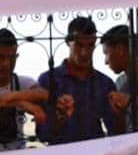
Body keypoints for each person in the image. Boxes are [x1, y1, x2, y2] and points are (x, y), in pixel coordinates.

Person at [37, 16, 121, 145]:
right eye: (79, 45)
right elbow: (43, 134)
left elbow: (116, 133)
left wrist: (121, 112)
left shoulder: (105, 83)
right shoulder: (48, 80)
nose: (84, 52)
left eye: (90, 45)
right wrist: (59, 119)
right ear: (68, 42)